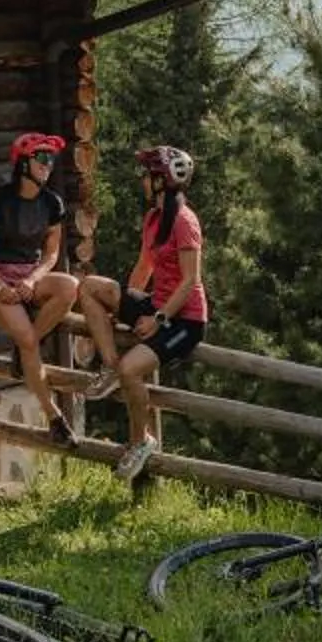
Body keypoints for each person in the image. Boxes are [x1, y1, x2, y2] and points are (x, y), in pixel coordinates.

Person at [77, 143, 207, 481]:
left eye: (147, 176)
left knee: (131, 369)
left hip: (185, 319)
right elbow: (143, 267)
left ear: (162, 181)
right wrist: (122, 308)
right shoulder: (153, 218)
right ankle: (107, 366)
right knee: (90, 287)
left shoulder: (184, 221)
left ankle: (141, 441)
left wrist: (158, 318)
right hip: (157, 305)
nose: (142, 181)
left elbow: (191, 281)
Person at [0, 132, 81, 443]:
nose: (48, 165)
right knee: (31, 345)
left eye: (51, 160)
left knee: (69, 286)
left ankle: (25, 345)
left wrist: (33, 280)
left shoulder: (52, 203)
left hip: (28, 278)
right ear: (23, 164)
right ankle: (54, 418)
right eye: (42, 159)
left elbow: (51, 253)